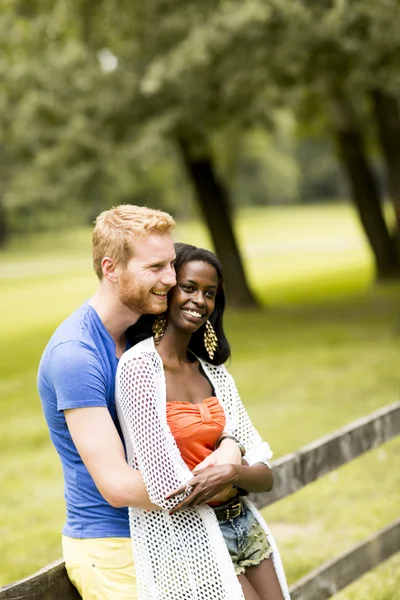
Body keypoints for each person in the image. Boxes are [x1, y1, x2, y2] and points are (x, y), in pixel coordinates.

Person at [37, 206, 242, 600]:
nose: (170, 279)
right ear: (111, 269)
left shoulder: (145, 334)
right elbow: (117, 485)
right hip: (114, 548)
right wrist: (223, 484)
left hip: (169, 528)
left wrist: (231, 449)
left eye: (170, 264)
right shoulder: (76, 355)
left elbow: (215, 413)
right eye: (155, 268)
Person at [116, 243, 290, 600]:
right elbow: (168, 488)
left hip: (244, 525)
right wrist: (232, 454)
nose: (199, 300)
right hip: (189, 537)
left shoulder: (214, 372)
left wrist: (234, 469)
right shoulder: (139, 368)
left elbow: (265, 473)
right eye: (189, 287)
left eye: (209, 293)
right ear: (167, 289)